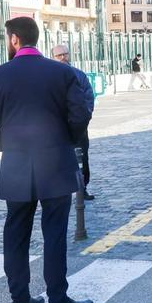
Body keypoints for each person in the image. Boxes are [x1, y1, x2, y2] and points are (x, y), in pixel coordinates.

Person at [0, 17, 94, 303]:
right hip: (55, 160)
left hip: (16, 162)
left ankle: (19, 302)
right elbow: (81, 113)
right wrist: (64, 138)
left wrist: (7, 144)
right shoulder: (63, 72)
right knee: (54, 233)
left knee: (15, 232)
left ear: (14, 39)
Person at [52, 43, 95, 200]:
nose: (63, 57)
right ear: (53, 57)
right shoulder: (49, 76)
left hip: (78, 127)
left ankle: (82, 188)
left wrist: (84, 118)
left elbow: (89, 98)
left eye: (65, 54)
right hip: (56, 128)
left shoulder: (79, 75)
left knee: (82, 159)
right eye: (59, 55)